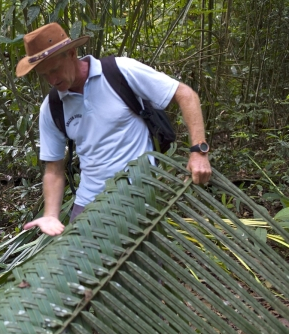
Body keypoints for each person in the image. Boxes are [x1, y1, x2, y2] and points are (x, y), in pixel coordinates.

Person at [16, 23, 212, 236]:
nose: (52, 80)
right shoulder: (52, 107)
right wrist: (51, 215)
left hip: (140, 197)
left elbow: (186, 95)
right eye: (45, 75)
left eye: (54, 69)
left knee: (143, 268)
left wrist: (198, 152)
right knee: (79, 267)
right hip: (89, 205)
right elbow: (54, 168)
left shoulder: (120, 71)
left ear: (71, 53)